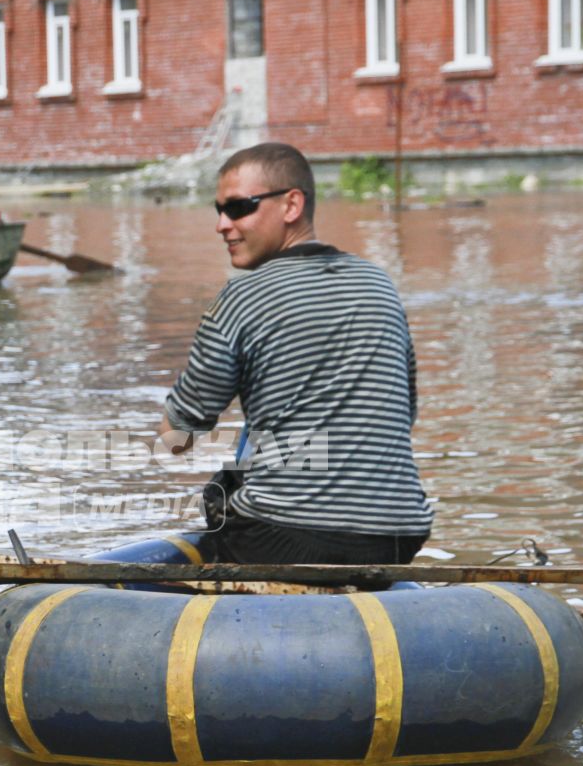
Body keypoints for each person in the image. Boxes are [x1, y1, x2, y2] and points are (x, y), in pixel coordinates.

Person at [160, 142, 433, 566]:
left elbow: (180, 436)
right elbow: (405, 413)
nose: (221, 225)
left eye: (238, 208)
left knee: (223, 489)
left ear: (291, 205)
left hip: (286, 535)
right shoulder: (379, 284)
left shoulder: (242, 296)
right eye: (219, 211)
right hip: (398, 535)